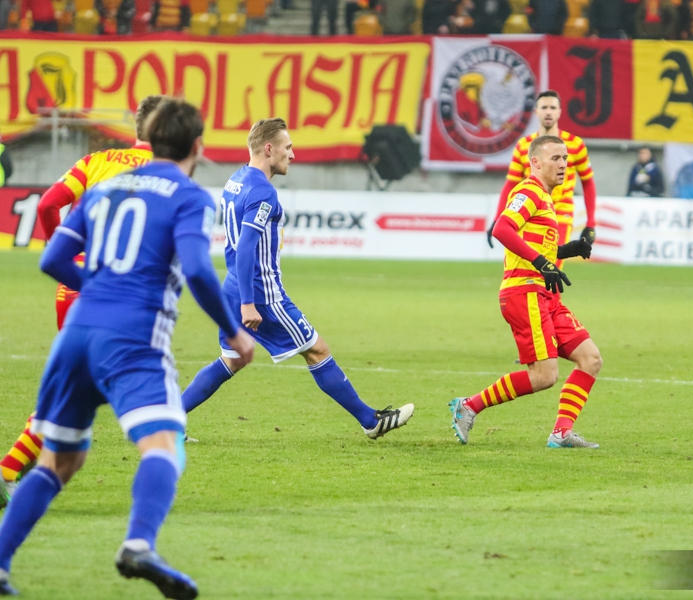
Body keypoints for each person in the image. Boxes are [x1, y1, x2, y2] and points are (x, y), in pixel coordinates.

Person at [0, 98, 255, 599]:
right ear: (197, 147)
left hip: (76, 333)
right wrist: (234, 331)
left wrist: (96, 287)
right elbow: (198, 269)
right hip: (133, 338)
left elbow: (53, 258)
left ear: (149, 139)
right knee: (164, 444)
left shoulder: (104, 186)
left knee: (58, 462)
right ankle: (139, 543)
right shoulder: (189, 196)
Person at [180, 118, 414, 440]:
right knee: (317, 350)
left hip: (232, 286)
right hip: (261, 294)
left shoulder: (237, 179)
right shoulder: (263, 191)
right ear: (269, 149)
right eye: (287, 147)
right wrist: (249, 303)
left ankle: (168, 420)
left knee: (231, 361)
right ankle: (370, 421)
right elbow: (246, 247)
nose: (293, 154)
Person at [0, 96, 163, 507]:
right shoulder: (165, 176)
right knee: (81, 393)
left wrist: (64, 250)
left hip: (72, 285)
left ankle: (18, 471)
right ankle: (8, 471)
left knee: (76, 390)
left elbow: (49, 204)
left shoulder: (96, 161)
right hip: (115, 293)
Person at [451, 136, 602, 449]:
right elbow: (502, 228)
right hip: (525, 292)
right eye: (555, 158)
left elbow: (537, 246)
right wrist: (542, 263)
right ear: (535, 162)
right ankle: (469, 406)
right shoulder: (528, 191)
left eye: (565, 158)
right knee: (544, 376)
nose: (563, 165)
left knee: (590, 358)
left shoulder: (546, 197)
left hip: (546, 294)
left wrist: (566, 249)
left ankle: (561, 433)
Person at [487, 90, 597, 269]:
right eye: (544, 107)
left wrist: (590, 223)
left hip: (560, 212)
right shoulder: (524, 146)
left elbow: (588, 182)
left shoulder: (575, 144)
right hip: (531, 213)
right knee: (531, 264)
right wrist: (498, 217)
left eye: (552, 108)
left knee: (551, 265)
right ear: (536, 112)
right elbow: (511, 183)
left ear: (559, 112)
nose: (548, 112)